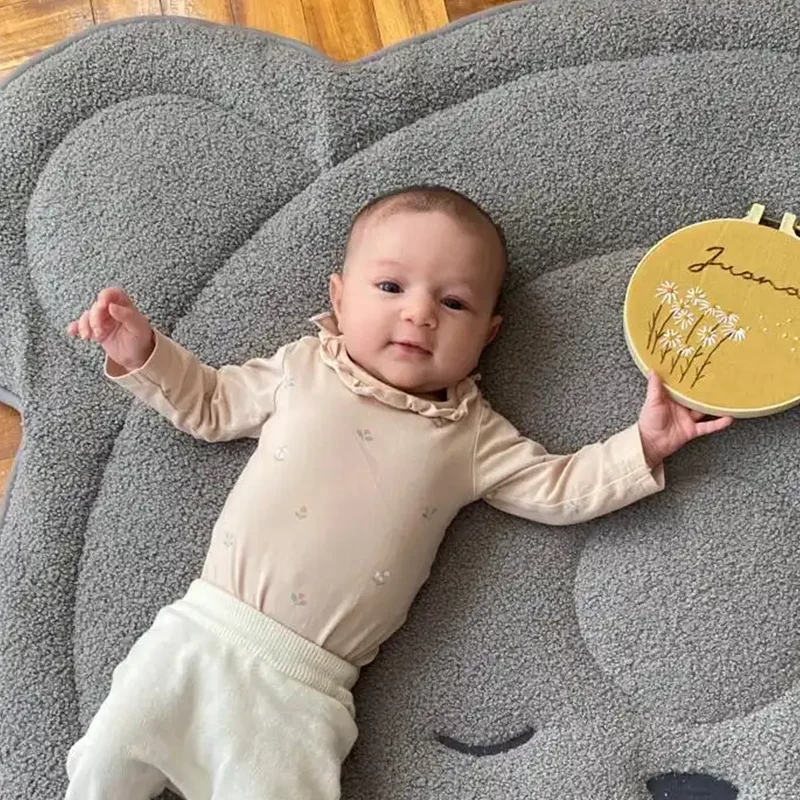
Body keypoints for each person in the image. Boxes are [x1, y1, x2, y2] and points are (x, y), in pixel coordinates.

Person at [63, 185, 732, 799]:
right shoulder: (302, 369)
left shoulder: (470, 435)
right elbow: (210, 404)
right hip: (200, 635)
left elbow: (558, 487)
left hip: (304, 688)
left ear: (488, 334)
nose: (419, 314)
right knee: (104, 763)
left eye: (454, 303)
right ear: (340, 298)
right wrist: (143, 351)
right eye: (390, 286)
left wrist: (643, 445)